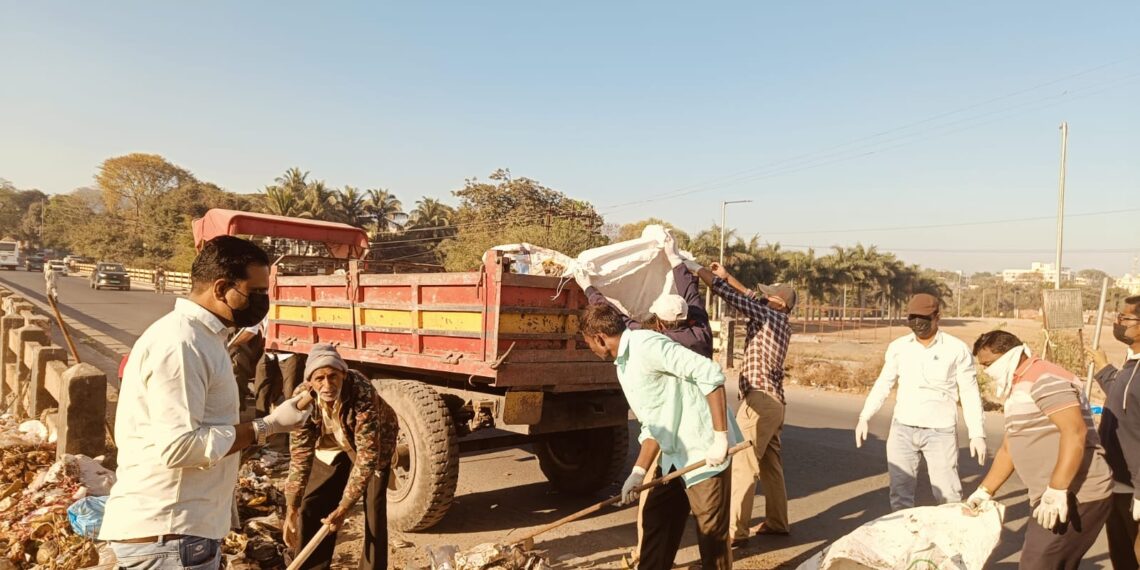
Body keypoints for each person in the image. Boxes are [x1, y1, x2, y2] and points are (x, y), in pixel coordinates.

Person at [99, 236, 313, 569]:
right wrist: (267, 426)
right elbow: (180, 447)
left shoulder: (205, 338)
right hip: (170, 536)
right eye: (256, 291)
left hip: (179, 535)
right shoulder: (182, 343)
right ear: (221, 288)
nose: (263, 301)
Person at [580, 302, 742, 570]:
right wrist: (638, 473)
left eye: (588, 344)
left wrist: (720, 438)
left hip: (704, 451)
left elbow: (710, 374)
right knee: (656, 522)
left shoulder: (646, 345)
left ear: (599, 338)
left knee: (711, 538)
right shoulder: (623, 364)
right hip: (674, 456)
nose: (591, 349)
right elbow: (654, 423)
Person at [966, 330, 1114, 569]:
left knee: (1037, 563)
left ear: (1008, 355)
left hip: (1077, 494)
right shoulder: (1019, 388)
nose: (986, 371)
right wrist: (984, 491)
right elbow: (1010, 447)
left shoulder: (1045, 378)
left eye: (988, 364)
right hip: (1051, 495)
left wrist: (1057, 489)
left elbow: (1074, 432)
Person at [854, 293, 986, 510]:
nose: (918, 323)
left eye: (924, 318)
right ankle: (905, 531)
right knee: (900, 494)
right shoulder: (899, 347)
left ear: (937, 317)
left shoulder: (956, 349)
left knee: (948, 496)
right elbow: (884, 383)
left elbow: (969, 392)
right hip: (902, 429)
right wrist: (864, 416)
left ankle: (948, 532)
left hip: (940, 431)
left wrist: (977, 434)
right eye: (912, 318)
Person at [696, 262, 794, 542]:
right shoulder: (776, 319)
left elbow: (736, 298)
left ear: (778, 302)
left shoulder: (769, 317)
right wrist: (727, 276)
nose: (763, 297)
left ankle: (734, 531)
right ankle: (777, 521)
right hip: (774, 403)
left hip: (760, 401)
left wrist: (698, 270)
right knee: (770, 466)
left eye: (768, 296)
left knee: (742, 463)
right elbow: (750, 295)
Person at [283, 344, 398, 569]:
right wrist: (291, 508)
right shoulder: (301, 400)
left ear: (343, 375)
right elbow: (300, 455)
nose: (327, 385)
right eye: (320, 379)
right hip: (332, 442)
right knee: (312, 503)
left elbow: (367, 456)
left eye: (333, 376)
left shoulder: (361, 391)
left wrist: (344, 507)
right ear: (310, 382)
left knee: (373, 510)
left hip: (374, 442)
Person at [1086, 294, 1140, 570]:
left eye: (1125, 318)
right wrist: (1104, 366)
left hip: (1135, 485)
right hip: (1117, 480)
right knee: (1121, 554)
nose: (1118, 323)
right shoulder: (1131, 363)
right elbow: (1123, 398)